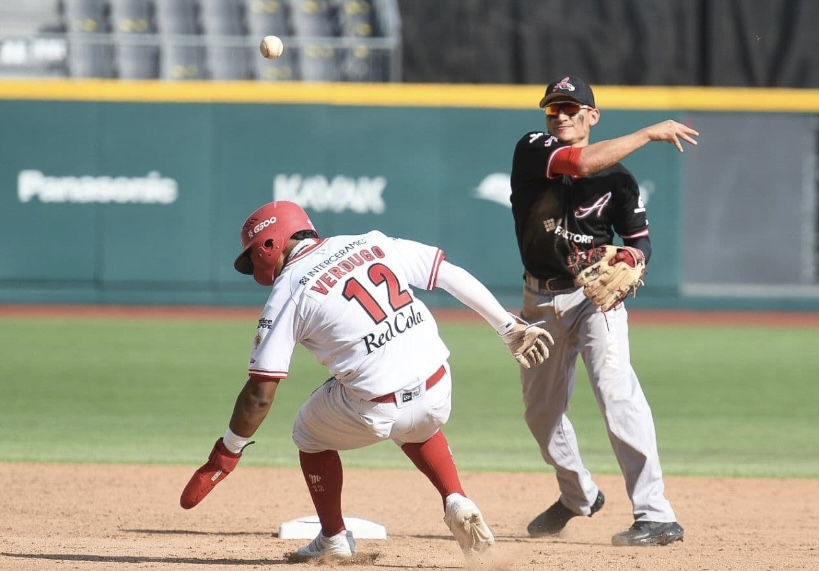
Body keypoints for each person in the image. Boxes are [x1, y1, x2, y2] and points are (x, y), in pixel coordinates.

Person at [179, 200, 554, 560]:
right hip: (439, 387)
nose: (254, 262)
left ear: (270, 243)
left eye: (253, 254)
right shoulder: (370, 242)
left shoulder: (290, 289)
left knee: (308, 432)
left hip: (378, 408)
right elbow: (447, 274)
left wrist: (226, 453)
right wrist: (507, 326)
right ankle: (455, 498)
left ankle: (333, 539)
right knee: (414, 416)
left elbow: (261, 392)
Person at [509, 76, 699, 546]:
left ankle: (656, 515)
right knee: (541, 414)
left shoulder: (619, 182)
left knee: (617, 393)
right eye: (554, 109)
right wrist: (647, 134)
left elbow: (639, 242)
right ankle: (578, 495)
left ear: (592, 116)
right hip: (539, 302)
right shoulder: (534, 148)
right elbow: (578, 160)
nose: (562, 116)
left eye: (572, 109)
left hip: (597, 301)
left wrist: (632, 258)